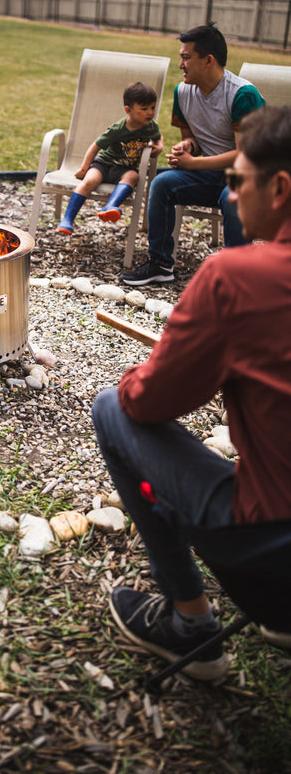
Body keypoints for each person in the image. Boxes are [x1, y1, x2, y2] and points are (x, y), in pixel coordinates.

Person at [92, 105, 291, 680]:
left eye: (235, 181)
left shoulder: (236, 277)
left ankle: (192, 628)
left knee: (112, 410)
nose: (228, 198)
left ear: (279, 188)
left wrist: (146, 372)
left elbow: (147, 403)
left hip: (275, 548)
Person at [119, 23, 265, 286]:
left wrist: (193, 162)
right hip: (209, 175)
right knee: (162, 184)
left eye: (186, 57)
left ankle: (236, 276)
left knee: (233, 196)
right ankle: (160, 264)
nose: (180, 65)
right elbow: (192, 138)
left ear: (208, 61)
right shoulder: (183, 92)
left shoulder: (243, 95)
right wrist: (188, 147)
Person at [58, 82, 164, 234]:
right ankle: (67, 219)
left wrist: (158, 146)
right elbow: (95, 146)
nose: (150, 113)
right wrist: (84, 169)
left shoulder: (151, 126)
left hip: (125, 169)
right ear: (129, 110)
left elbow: (159, 137)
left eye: (153, 107)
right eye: (144, 109)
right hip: (104, 164)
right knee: (90, 181)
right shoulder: (118, 129)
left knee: (133, 176)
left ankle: (111, 206)